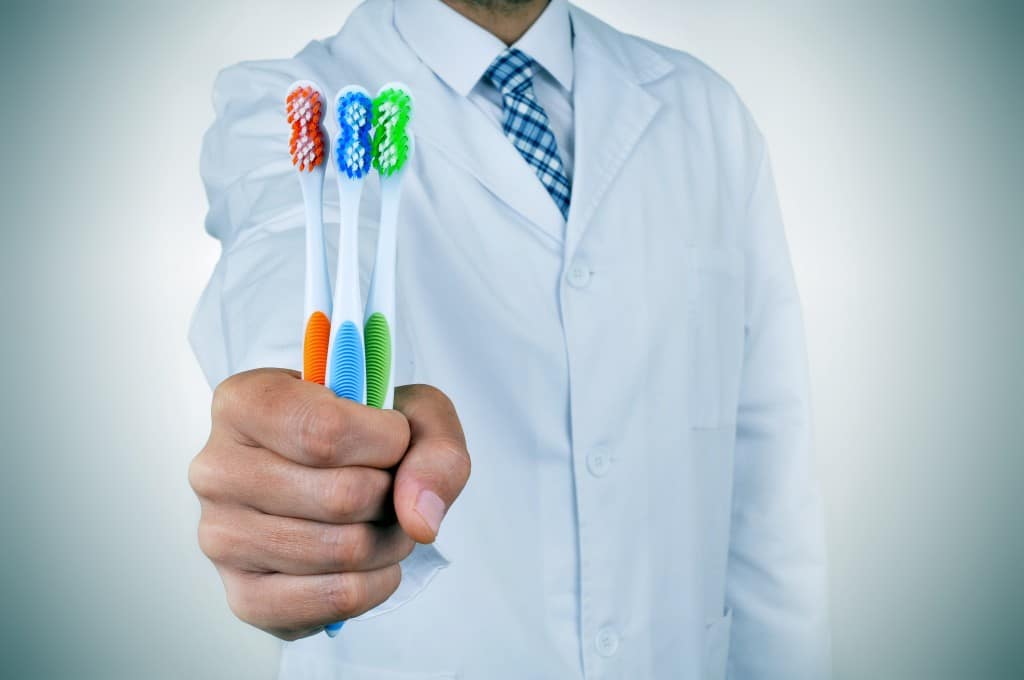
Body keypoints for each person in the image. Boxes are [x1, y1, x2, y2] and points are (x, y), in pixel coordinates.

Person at [188, 0, 831, 677]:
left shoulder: (706, 112)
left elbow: (770, 493)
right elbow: (284, 249)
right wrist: (301, 450)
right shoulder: (285, 103)